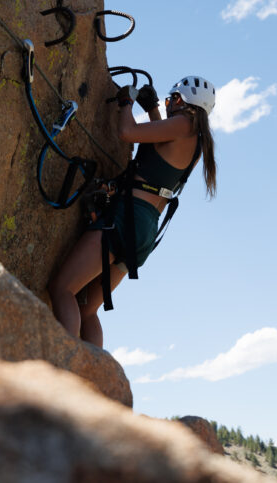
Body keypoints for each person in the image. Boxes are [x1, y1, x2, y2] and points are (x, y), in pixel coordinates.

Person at [48, 75, 217, 348]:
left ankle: (65, 366)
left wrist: (126, 101)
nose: (167, 103)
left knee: (62, 289)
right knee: (87, 309)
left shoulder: (184, 123)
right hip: (145, 231)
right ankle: (94, 377)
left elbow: (127, 133)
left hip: (128, 217)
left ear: (183, 102)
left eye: (171, 98)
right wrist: (152, 109)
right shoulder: (195, 140)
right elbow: (160, 141)